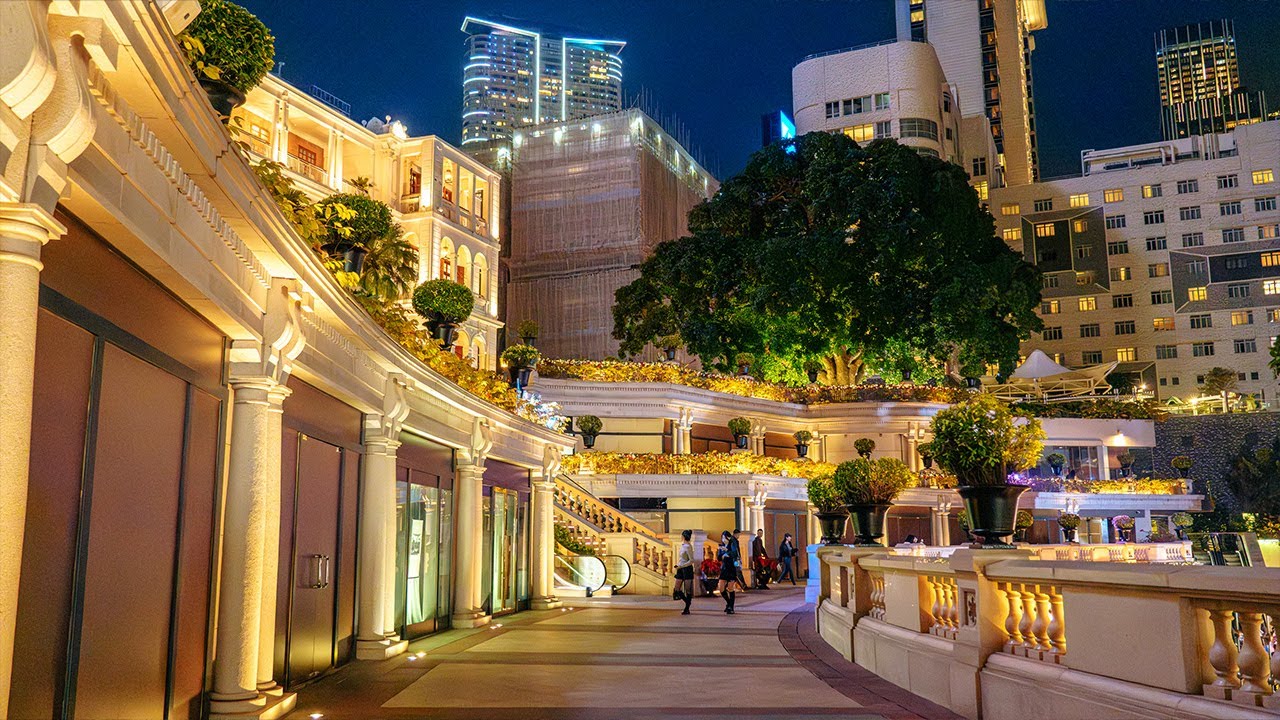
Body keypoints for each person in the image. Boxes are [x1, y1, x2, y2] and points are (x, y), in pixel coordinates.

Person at [716, 530, 742, 614]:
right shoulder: (721, 546)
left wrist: (727, 551)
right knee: (721, 588)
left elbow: (735, 553)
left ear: (728, 538)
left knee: (730, 588)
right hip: (724, 568)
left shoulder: (732, 544)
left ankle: (731, 607)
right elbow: (719, 557)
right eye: (722, 538)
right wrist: (722, 555)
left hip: (731, 568)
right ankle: (728, 603)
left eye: (724, 538)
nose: (723, 539)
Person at [674, 529, 695, 614]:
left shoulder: (688, 547)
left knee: (687, 589)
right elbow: (681, 559)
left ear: (683, 536)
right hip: (680, 568)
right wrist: (678, 565)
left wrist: (681, 566)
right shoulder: (682, 545)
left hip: (687, 569)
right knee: (677, 588)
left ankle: (687, 608)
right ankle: (687, 602)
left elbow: (691, 560)